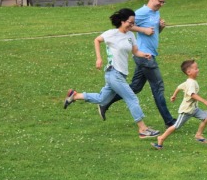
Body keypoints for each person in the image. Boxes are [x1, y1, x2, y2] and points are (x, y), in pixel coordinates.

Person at [63, 8, 161, 139]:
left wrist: (144, 55)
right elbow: (96, 40)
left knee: (102, 99)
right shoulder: (111, 34)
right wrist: (99, 58)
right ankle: (143, 129)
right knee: (132, 99)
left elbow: (135, 51)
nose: (132, 25)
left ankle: (74, 96)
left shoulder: (130, 35)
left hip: (120, 75)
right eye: (130, 22)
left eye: (133, 23)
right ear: (122, 21)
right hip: (113, 73)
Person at [99, 0, 174, 128]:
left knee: (135, 87)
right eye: (160, 1)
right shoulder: (141, 12)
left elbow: (153, 33)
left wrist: (160, 27)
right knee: (158, 87)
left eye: (163, 3)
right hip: (144, 56)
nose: (161, 4)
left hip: (148, 54)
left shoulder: (156, 12)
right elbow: (127, 26)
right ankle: (169, 121)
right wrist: (143, 30)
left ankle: (105, 103)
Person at [153, 59, 207, 150]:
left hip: (194, 109)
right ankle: (161, 138)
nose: (198, 70)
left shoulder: (189, 81)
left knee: (205, 118)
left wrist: (174, 95)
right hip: (187, 110)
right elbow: (192, 95)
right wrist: (204, 101)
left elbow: (179, 87)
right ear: (189, 72)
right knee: (176, 126)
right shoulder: (191, 83)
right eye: (196, 68)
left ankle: (198, 135)